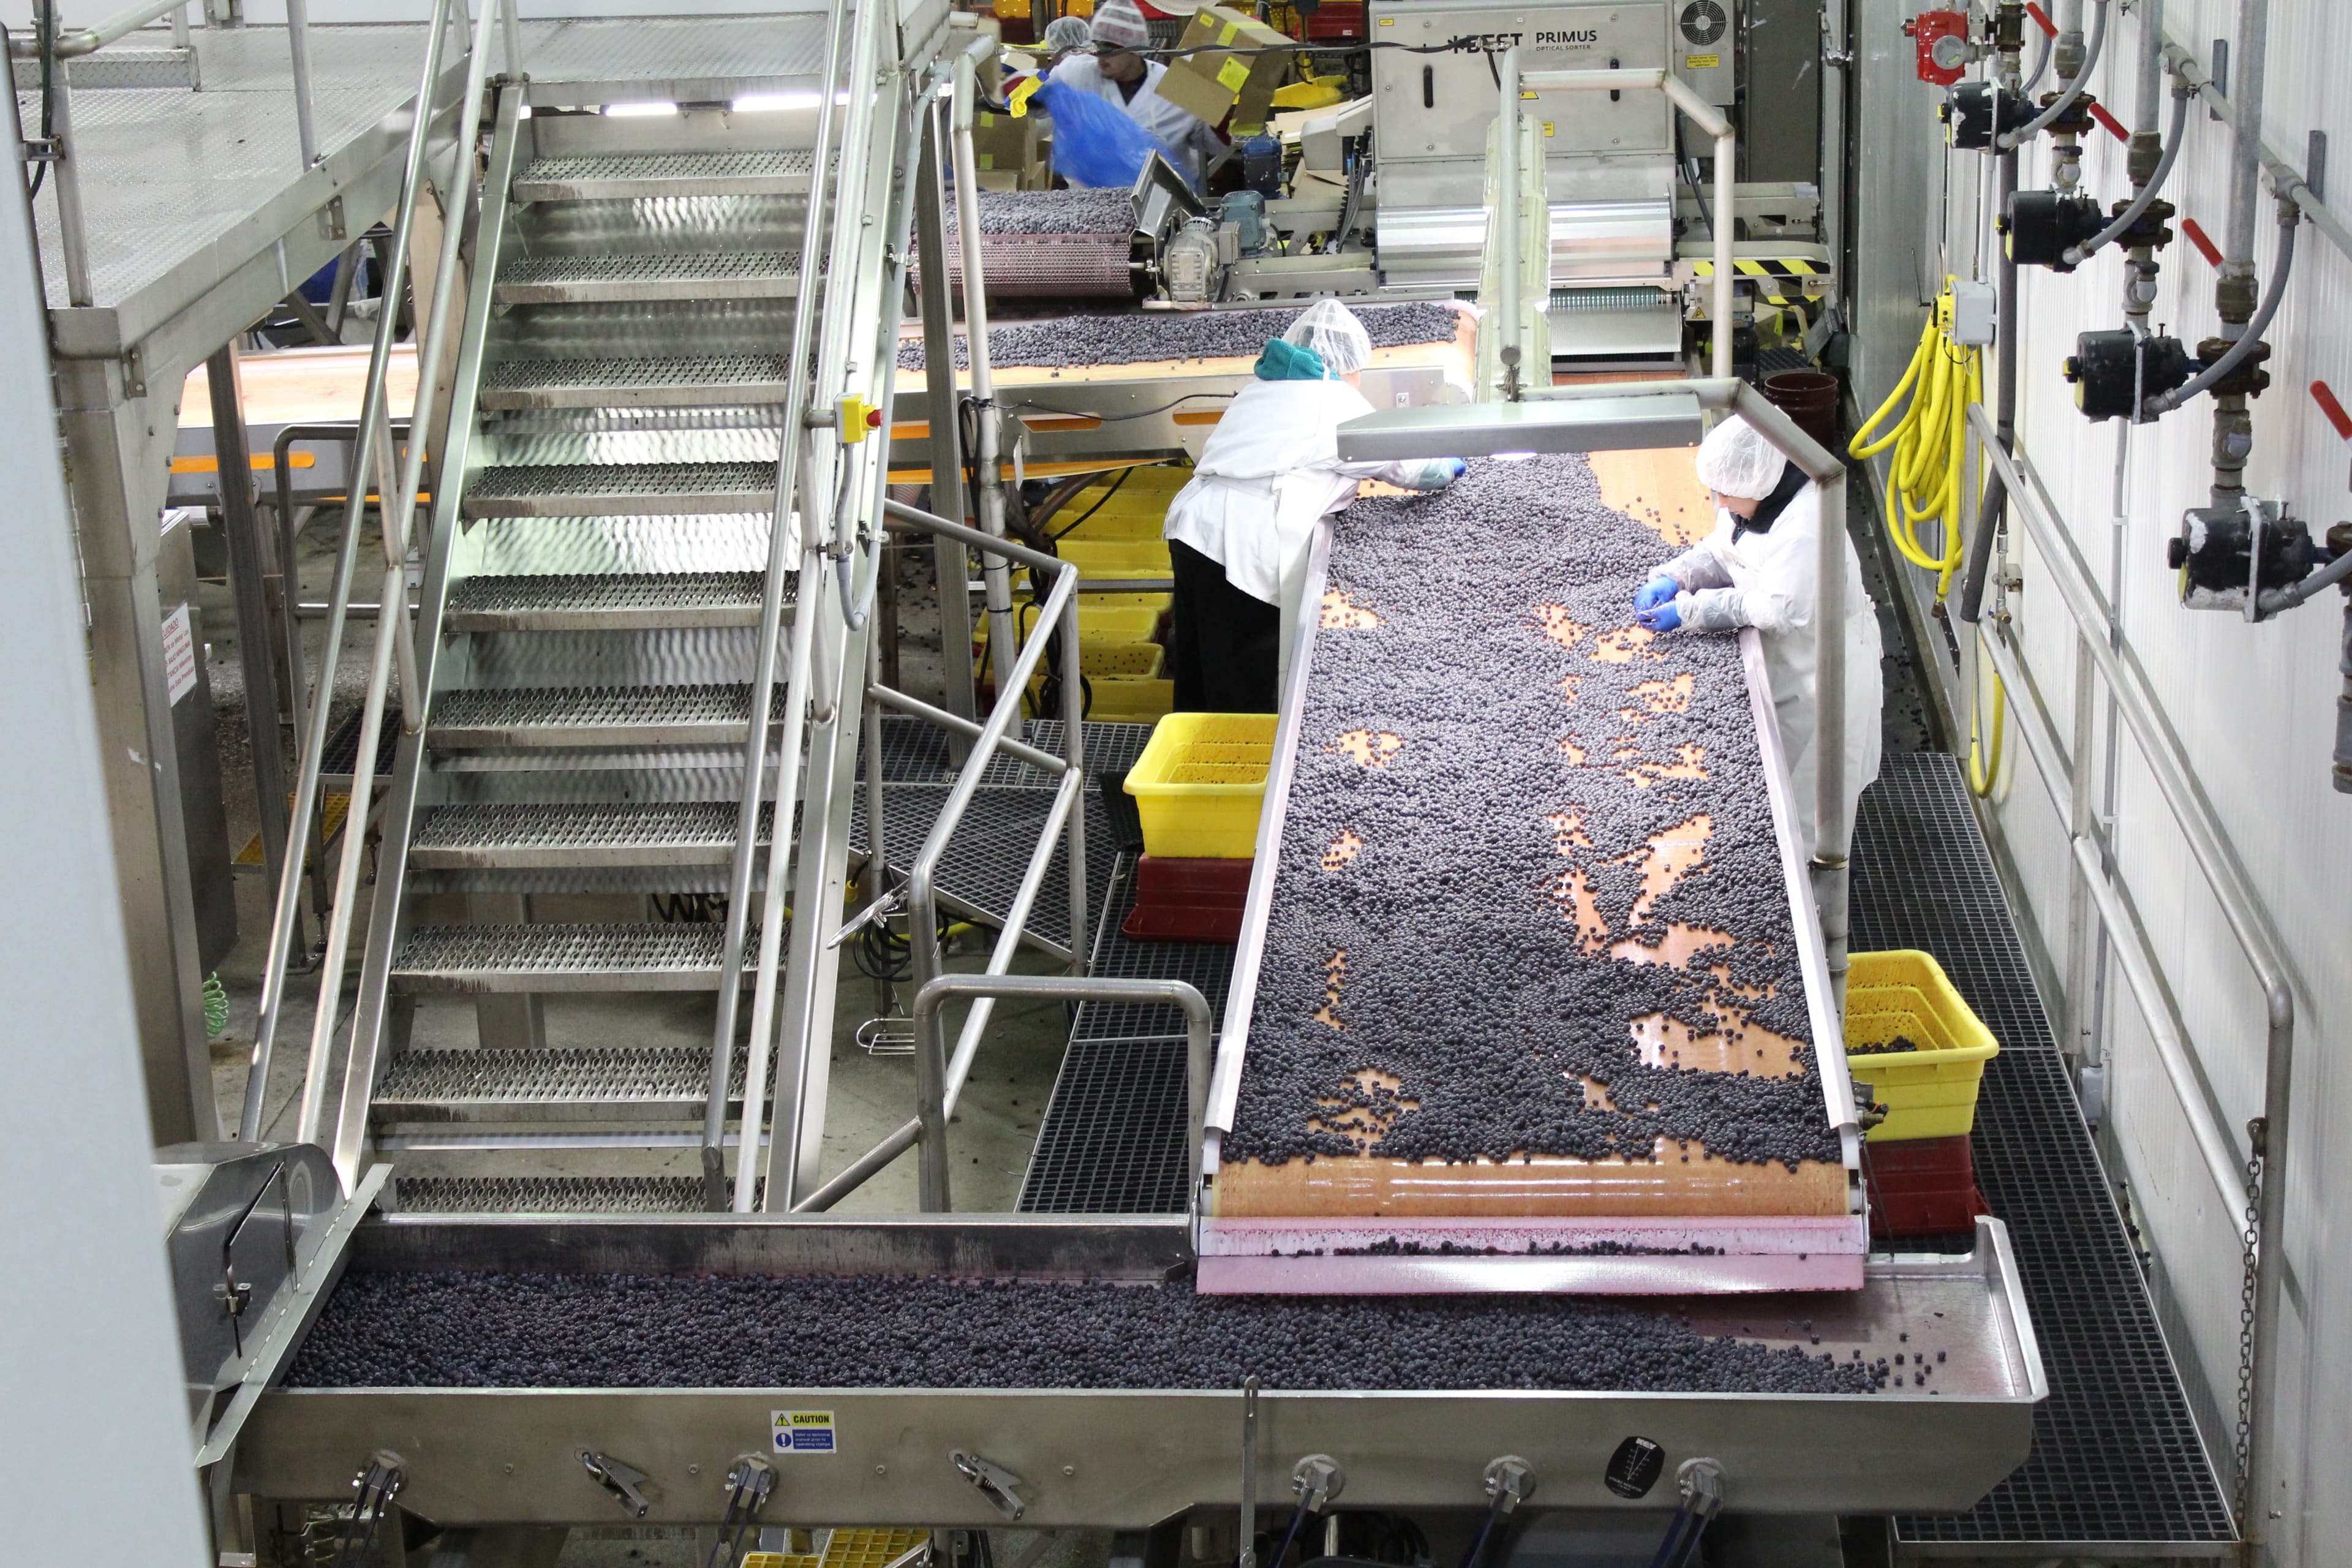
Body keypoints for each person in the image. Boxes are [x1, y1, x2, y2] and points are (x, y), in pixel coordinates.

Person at [1163, 300, 1466, 712]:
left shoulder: (1261, 390)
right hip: (1241, 549)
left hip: (1193, 531)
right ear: (1348, 362)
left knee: (1199, 665)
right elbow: (1411, 468)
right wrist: (1453, 463)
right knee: (1242, 682)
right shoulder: (1335, 404)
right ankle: (1239, 765)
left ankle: (1190, 760)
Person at [1633, 414, 1883, 853]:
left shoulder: (1806, 523)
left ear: (1756, 482)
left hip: (1823, 681)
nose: (1722, 503)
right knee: (1775, 794)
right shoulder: (1757, 499)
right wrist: (1676, 576)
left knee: (1814, 817)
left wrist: (1692, 611)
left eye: (1727, 494)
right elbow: (1723, 549)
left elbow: (1774, 609)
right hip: (1783, 665)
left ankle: (1825, 911)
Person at [1048, 0, 1228, 187]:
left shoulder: (1170, 85)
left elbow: (1209, 139)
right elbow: (1038, 96)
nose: (1101, 58)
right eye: (1097, 50)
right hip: (1093, 205)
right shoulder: (1079, 75)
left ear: (1133, 50)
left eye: (1109, 51)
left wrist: (1222, 119)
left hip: (1164, 200)